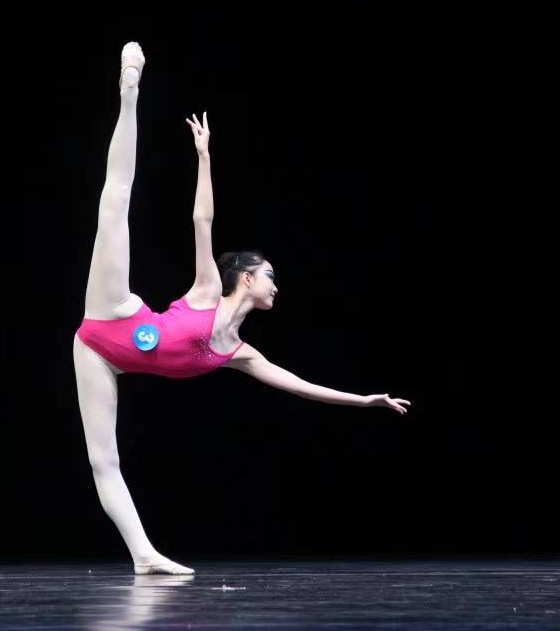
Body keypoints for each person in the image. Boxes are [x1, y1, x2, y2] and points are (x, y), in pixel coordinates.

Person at [73, 42, 411, 575]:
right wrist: (204, 157)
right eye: (270, 275)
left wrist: (362, 400)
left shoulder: (239, 353)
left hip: (100, 358)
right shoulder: (208, 288)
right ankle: (129, 93)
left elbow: (300, 385)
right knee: (115, 203)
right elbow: (201, 221)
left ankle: (144, 556)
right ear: (247, 277)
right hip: (113, 313)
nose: (277, 285)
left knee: (103, 460)